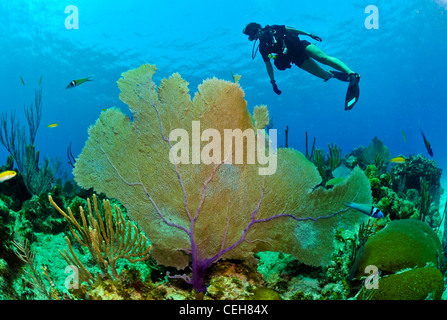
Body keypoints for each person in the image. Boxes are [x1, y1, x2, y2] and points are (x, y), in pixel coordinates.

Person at [243, 22, 361, 110]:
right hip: (295, 58)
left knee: (323, 58)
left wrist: (310, 34)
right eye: (253, 36)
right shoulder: (263, 47)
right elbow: (268, 65)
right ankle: (333, 74)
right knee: (324, 75)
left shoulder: (273, 28)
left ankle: (352, 74)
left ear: (259, 27)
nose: (257, 35)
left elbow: (291, 30)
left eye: (256, 32)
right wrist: (273, 82)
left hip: (300, 45)